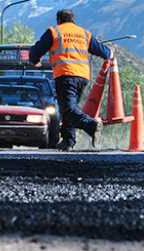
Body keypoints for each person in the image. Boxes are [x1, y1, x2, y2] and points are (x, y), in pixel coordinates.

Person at [29, 9, 113, 151]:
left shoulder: (54, 31)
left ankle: (91, 126)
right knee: (70, 108)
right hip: (82, 77)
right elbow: (105, 52)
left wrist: (35, 60)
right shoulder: (83, 33)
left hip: (65, 75)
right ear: (73, 20)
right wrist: (110, 54)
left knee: (68, 110)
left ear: (59, 20)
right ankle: (68, 141)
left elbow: (36, 51)